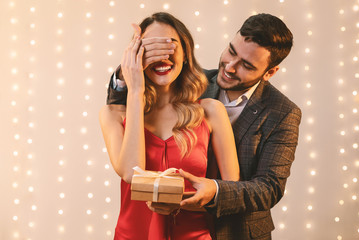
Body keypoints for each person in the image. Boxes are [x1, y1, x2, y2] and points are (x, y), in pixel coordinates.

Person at [107, 13, 302, 240]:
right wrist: (126, 72)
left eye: (246, 65)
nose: (230, 67)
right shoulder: (192, 82)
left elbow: (269, 188)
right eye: (231, 51)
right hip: (158, 225)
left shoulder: (283, 113)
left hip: (236, 230)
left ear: (269, 73)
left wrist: (214, 192)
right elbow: (127, 103)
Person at [99, 12, 240, 240]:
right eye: (151, 47)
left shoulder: (211, 111)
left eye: (170, 45)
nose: (162, 56)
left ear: (185, 54)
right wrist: (135, 90)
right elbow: (131, 173)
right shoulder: (113, 114)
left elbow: (231, 195)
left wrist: (182, 203)